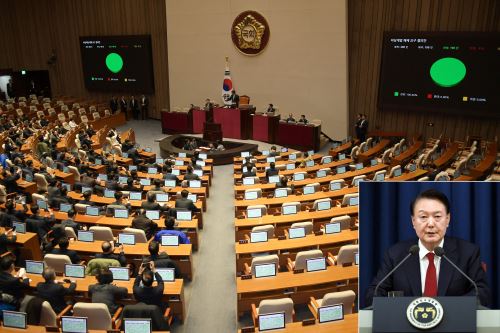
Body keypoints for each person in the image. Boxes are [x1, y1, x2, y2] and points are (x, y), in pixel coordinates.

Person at [365, 189, 490, 307]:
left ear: (447, 219)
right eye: (423, 217)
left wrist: (445, 310)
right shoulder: (395, 254)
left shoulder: (468, 252)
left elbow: (482, 293)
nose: (430, 224)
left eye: (437, 217)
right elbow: (374, 294)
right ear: (413, 221)